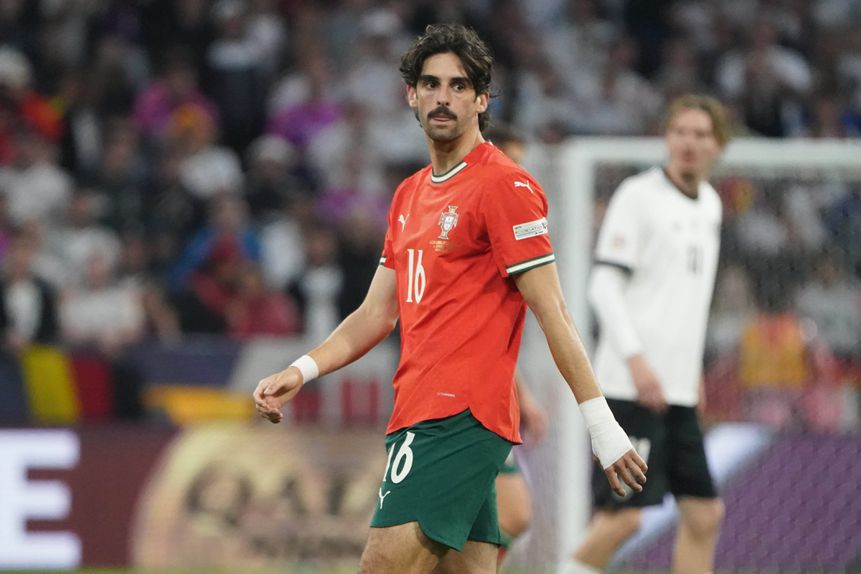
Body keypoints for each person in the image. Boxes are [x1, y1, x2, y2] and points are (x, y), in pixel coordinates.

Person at [254, 24, 646, 574]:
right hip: (416, 408)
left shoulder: (504, 186)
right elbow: (376, 313)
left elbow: (553, 311)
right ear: (410, 95)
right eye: (431, 84)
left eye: (459, 86)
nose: (444, 97)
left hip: (459, 417)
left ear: (482, 100)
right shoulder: (409, 194)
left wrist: (601, 427)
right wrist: (302, 369)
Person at [560, 94, 730, 574]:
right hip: (630, 386)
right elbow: (603, 286)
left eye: (701, 134)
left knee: (704, 514)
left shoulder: (711, 205)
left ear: (718, 145)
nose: (689, 143)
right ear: (666, 138)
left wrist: (690, 373)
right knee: (621, 521)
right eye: (680, 132)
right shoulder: (638, 196)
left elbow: (686, 301)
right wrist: (636, 361)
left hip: (676, 391)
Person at [483, 122, 548, 569]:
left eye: (521, 164)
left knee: (513, 515)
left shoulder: (508, 239)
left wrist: (520, 394)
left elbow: (495, 339)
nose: (516, 173)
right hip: (459, 400)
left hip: (491, 391)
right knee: (506, 515)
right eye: (510, 161)